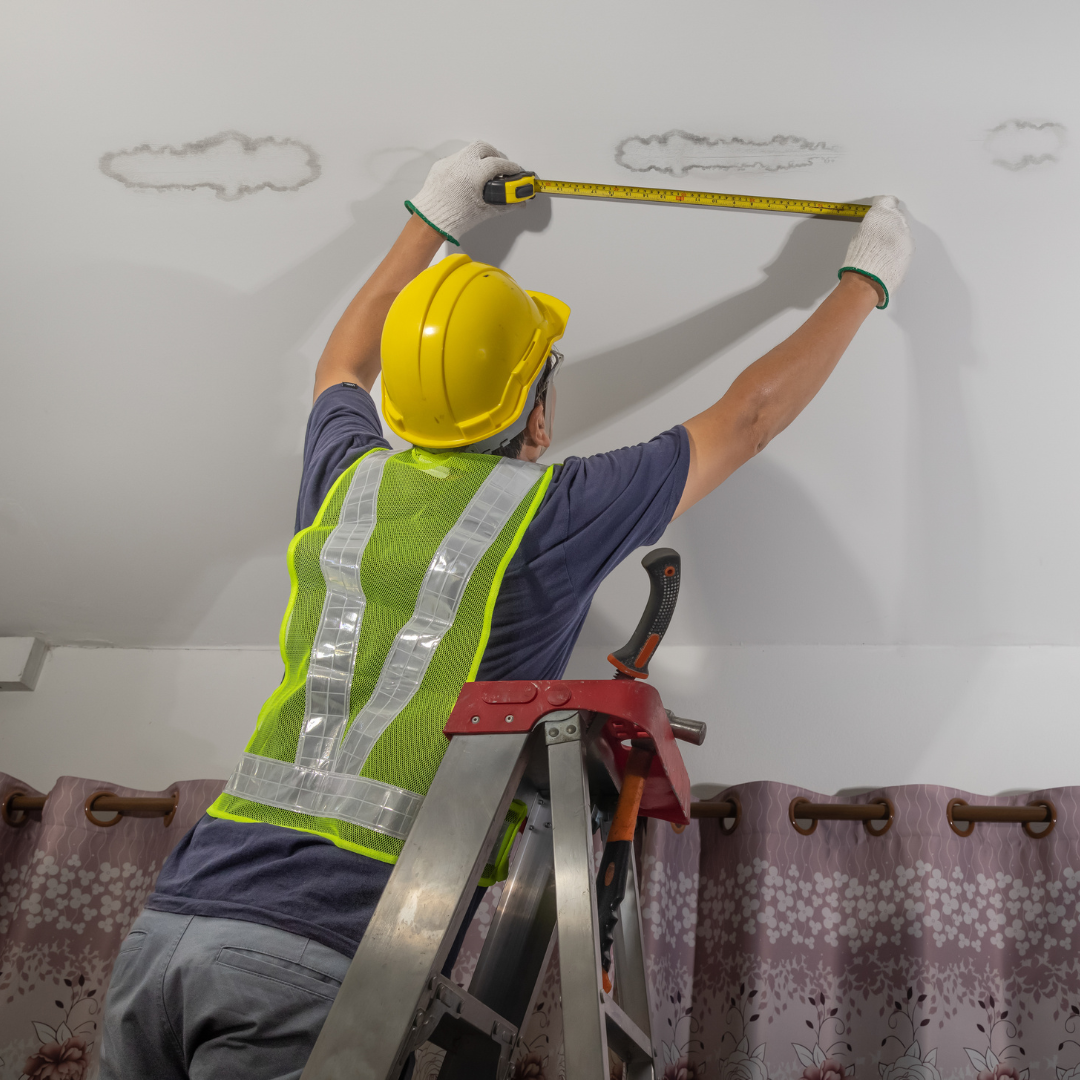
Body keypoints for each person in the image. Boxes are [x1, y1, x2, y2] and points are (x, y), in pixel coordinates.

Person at [99, 140, 913, 1079]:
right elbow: (746, 419)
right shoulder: (552, 510)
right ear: (536, 416)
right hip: (314, 953)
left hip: (168, 934)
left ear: (404, 403)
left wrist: (434, 218)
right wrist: (869, 277)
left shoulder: (345, 477)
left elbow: (340, 360)